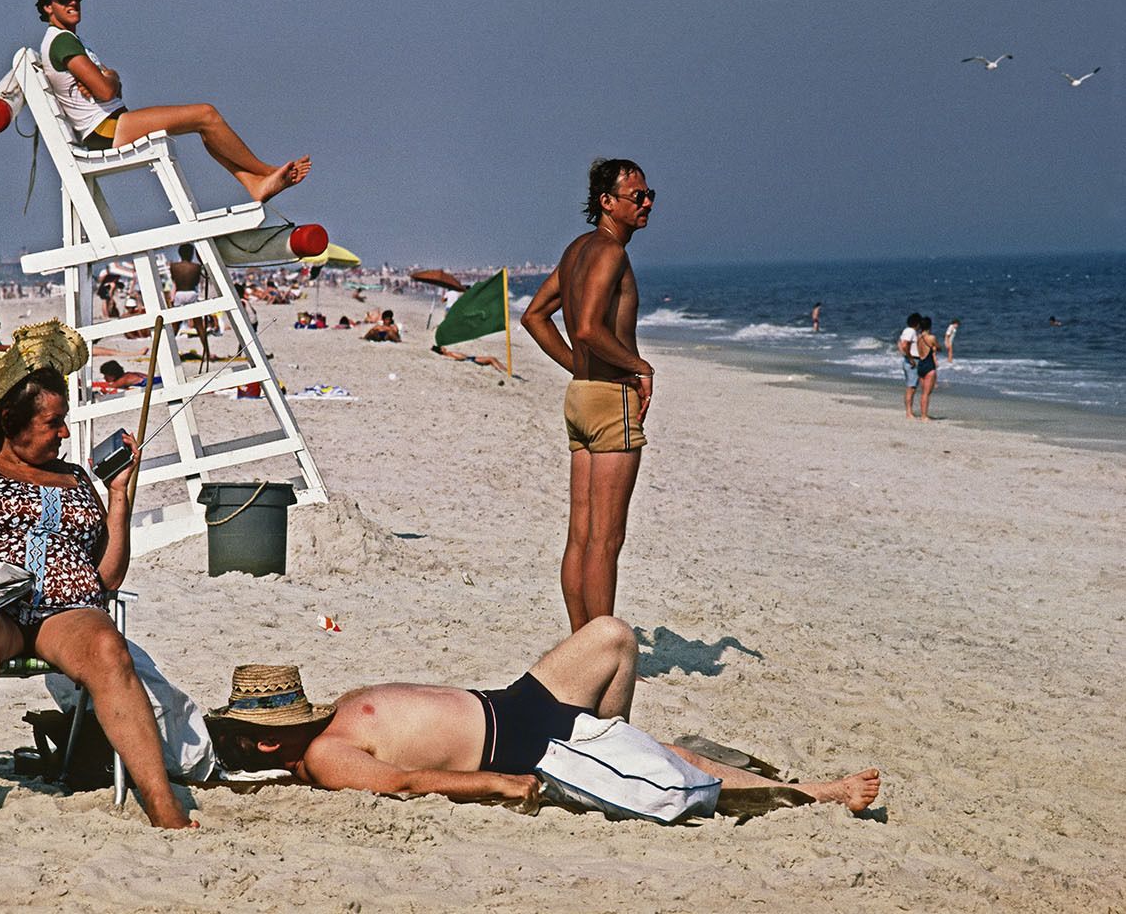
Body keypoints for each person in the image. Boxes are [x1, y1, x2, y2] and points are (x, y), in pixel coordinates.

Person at [0, 321, 192, 829]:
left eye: (65, 422)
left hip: (57, 616)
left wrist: (118, 496)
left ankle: (160, 800)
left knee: (107, 646)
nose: (64, 434)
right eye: (53, 423)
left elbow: (107, 578)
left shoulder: (74, 478)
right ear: (9, 420)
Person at [205, 618, 880, 814]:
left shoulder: (326, 726)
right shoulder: (324, 756)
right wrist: (498, 785)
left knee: (612, 635)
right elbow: (407, 783)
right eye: (284, 719)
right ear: (268, 746)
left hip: (517, 703)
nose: (302, 716)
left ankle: (622, 742)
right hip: (522, 750)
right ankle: (818, 792)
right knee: (676, 769)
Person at [35, 0, 310, 202]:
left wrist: (109, 78)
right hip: (107, 130)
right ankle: (266, 172)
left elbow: (110, 84)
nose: (73, 2)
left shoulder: (69, 40)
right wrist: (108, 79)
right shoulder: (62, 42)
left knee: (204, 122)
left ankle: (254, 183)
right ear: (48, 7)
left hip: (112, 125)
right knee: (206, 115)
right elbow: (107, 90)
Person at [520, 158, 656, 632]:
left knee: (580, 536)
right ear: (607, 202)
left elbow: (534, 316)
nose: (647, 203)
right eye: (637, 196)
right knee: (605, 540)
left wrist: (578, 367)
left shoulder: (576, 250)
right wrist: (639, 367)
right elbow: (587, 329)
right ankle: (598, 650)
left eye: (649, 194)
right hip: (610, 400)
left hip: (580, 396)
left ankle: (581, 645)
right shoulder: (610, 252)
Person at [914, 316, 939, 421]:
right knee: (926, 393)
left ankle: (923, 414)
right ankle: (924, 416)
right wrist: (935, 348)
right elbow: (938, 347)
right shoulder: (931, 337)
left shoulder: (918, 338)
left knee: (923, 392)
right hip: (929, 364)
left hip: (921, 364)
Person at [898, 312, 921, 419]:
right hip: (912, 360)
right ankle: (909, 412)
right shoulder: (910, 331)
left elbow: (900, 343)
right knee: (911, 387)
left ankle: (909, 411)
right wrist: (910, 358)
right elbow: (904, 345)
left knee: (911, 387)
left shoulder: (907, 331)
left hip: (910, 359)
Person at [432, 344, 507, 374]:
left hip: (470, 358)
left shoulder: (448, 354)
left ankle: (503, 370)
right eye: (442, 347)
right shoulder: (449, 353)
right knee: (491, 359)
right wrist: (465, 358)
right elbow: (461, 358)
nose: (443, 346)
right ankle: (502, 370)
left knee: (492, 359)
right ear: (441, 350)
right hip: (470, 359)